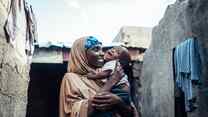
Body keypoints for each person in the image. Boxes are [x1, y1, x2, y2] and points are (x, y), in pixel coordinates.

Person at [59, 36, 138, 117]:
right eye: (96, 49)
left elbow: (130, 113)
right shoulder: (71, 78)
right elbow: (75, 113)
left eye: (101, 49)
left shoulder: (109, 74)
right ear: (82, 54)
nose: (102, 53)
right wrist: (111, 82)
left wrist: (118, 101)